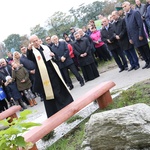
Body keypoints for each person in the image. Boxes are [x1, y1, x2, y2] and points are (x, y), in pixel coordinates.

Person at [27, 35, 74, 118]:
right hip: (43, 74)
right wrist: (29, 50)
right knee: (50, 92)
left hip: (52, 70)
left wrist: (53, 55)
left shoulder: (46, 47)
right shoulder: (33, 52)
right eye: (33, 41)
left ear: (39, 40)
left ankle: (65, 104)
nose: (36, 42)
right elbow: (30, 57)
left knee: (58, 87)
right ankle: (55, 110)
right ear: (31, 43)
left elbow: (54, 56)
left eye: (36, 40)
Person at [122, 1, 150, 69]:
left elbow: (140, 25)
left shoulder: (135, 12)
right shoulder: (126, 16)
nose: (124, 8)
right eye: (123, 7)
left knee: (145, 49)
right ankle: (147, 62)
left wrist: (141, 35)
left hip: (139, 36)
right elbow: (128, 28)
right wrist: (130, 38)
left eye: (125, 6)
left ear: (129, 5)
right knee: (140, 50)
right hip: (134, 37)